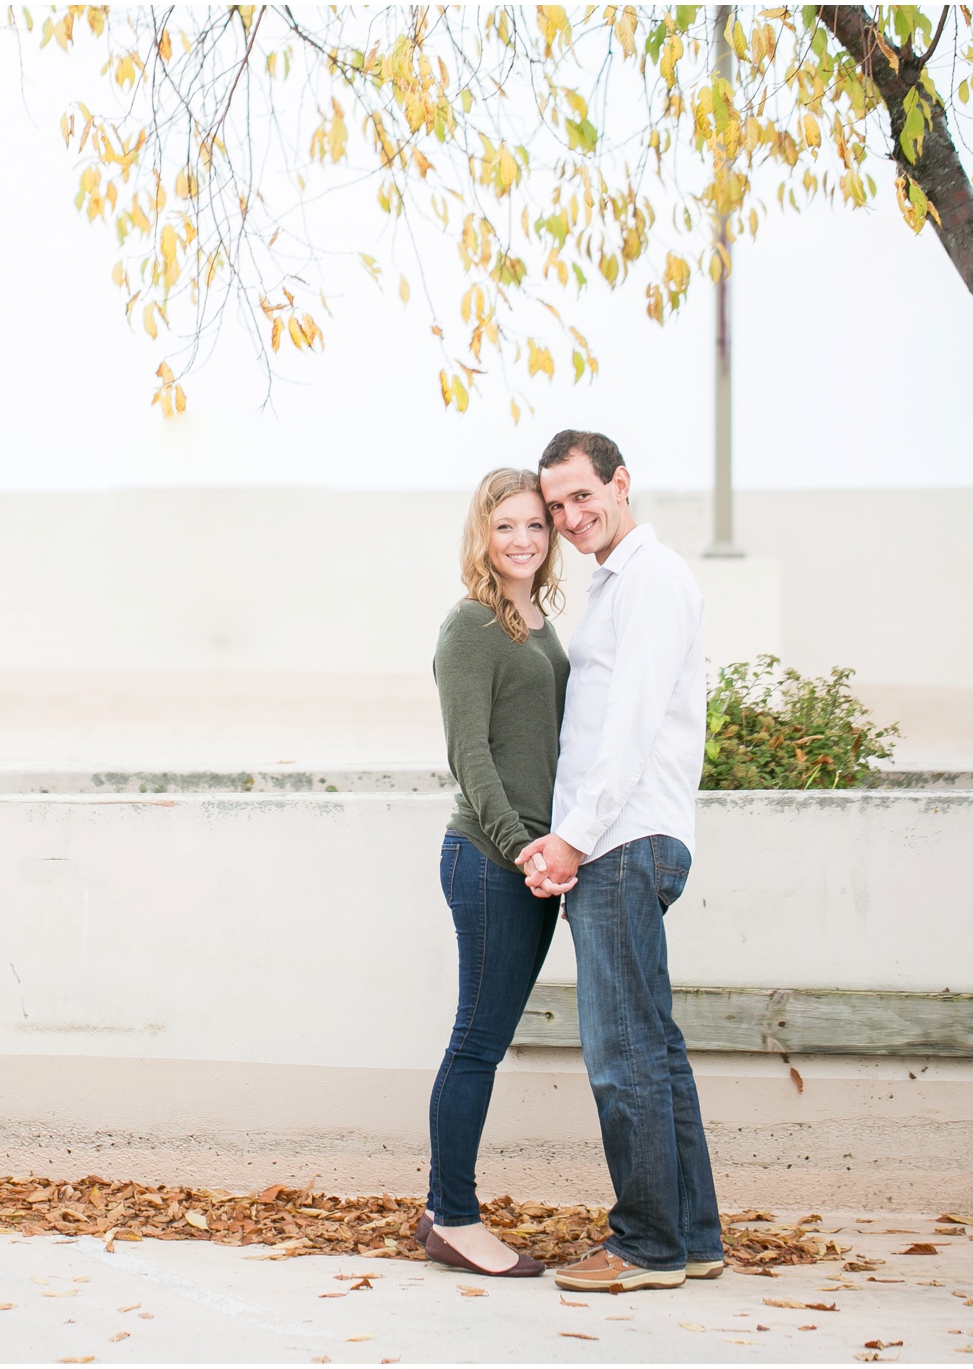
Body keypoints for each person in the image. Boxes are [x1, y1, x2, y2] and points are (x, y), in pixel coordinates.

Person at [516, 430, 724, 1294]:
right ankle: (694, 1237)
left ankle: (645, 1246)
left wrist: (572, 836)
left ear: (621, 482)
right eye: (555, 505)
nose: (568, 518)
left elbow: (629, 726)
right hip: (626, 837)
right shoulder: (616, 585)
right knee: (656, 1047)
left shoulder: (651, 580)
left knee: (622, 1051)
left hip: (625, 840)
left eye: (580, 497)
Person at [416, 467, 569, 1279]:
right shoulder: (473, 624)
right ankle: (453, 1215)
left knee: (486, 1039)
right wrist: (519, 846)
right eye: (506, 525)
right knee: (476, 1042)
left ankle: (446, 1207)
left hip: (535, 860)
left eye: (536, 526)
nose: (522, 540)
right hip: (489, 857)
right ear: (482, 533)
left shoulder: (537, 620)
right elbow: (468, 755)